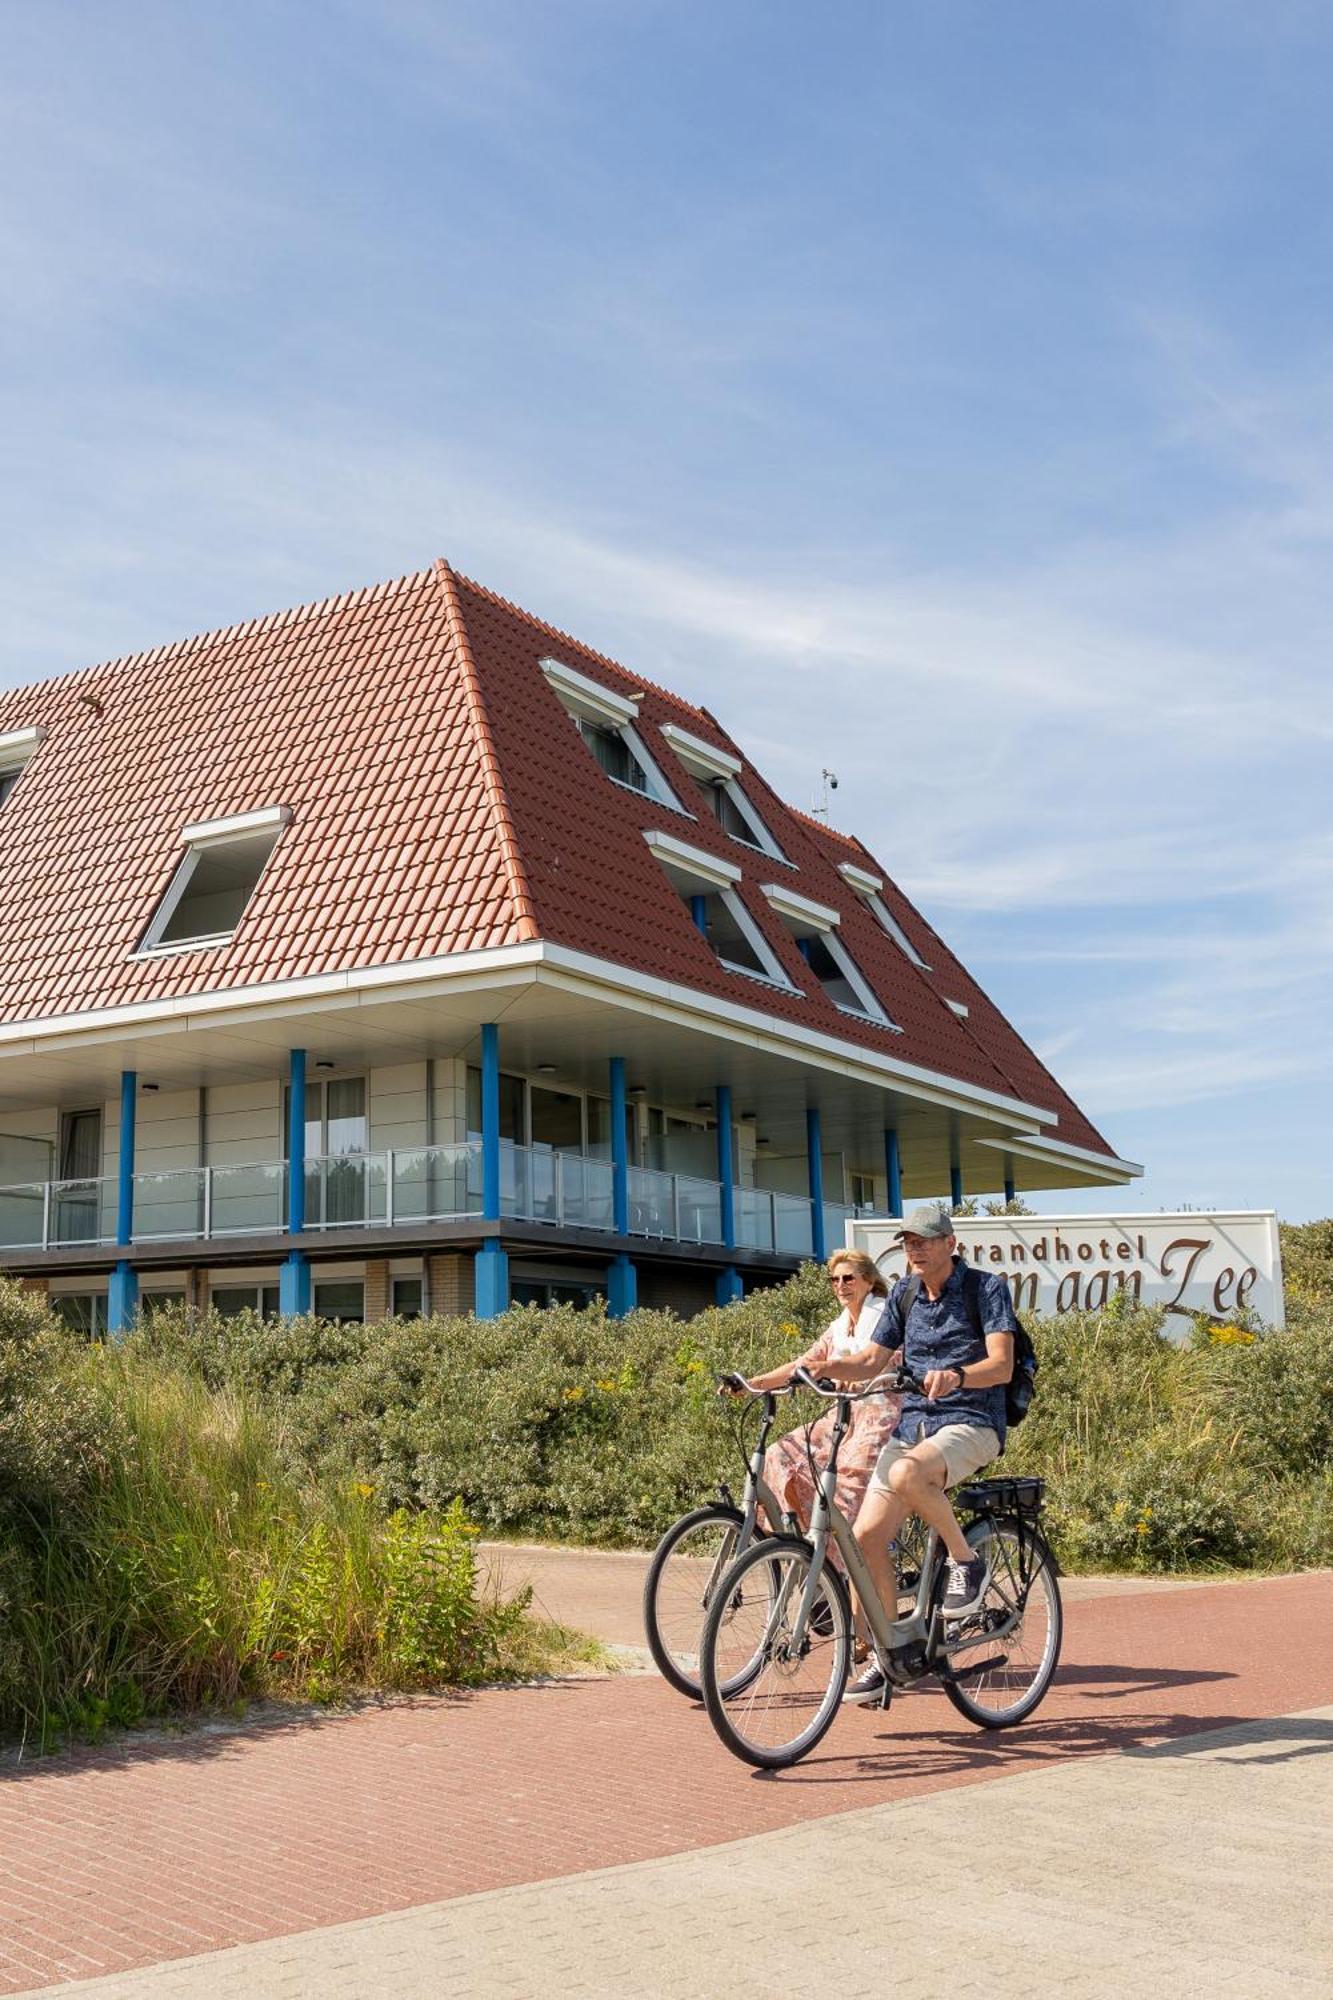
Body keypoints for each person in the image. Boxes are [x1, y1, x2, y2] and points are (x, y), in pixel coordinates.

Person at [815, 1201, 1018, 1707]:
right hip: (914, 1428)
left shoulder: (984, 1288)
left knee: (907, 1473)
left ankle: (965, 1561)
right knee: (864, 1540)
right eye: (908, 1242)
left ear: (951, 1244)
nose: (915, 1249)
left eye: (925, 1240)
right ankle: (893, 1657)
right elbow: (870, 1360)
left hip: (971, 1421)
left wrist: (958, 1376)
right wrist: (820, 1370)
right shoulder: (905, 1293)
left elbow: (1002, 1365)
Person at [722, 1248, 903, 1546]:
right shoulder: (841, 1324)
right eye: (834, 1280)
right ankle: (800, 1541)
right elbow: (804, 1363)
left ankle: (847, 1564)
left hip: (880, 1418)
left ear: (869, 1282)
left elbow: (878, 1363)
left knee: (845, 1487)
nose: (840, 1285)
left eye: (848, 1278)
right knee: (781, 1455)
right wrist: (753, 1383)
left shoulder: (883, 1316)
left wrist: (833, 1372)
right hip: (844, 1414)